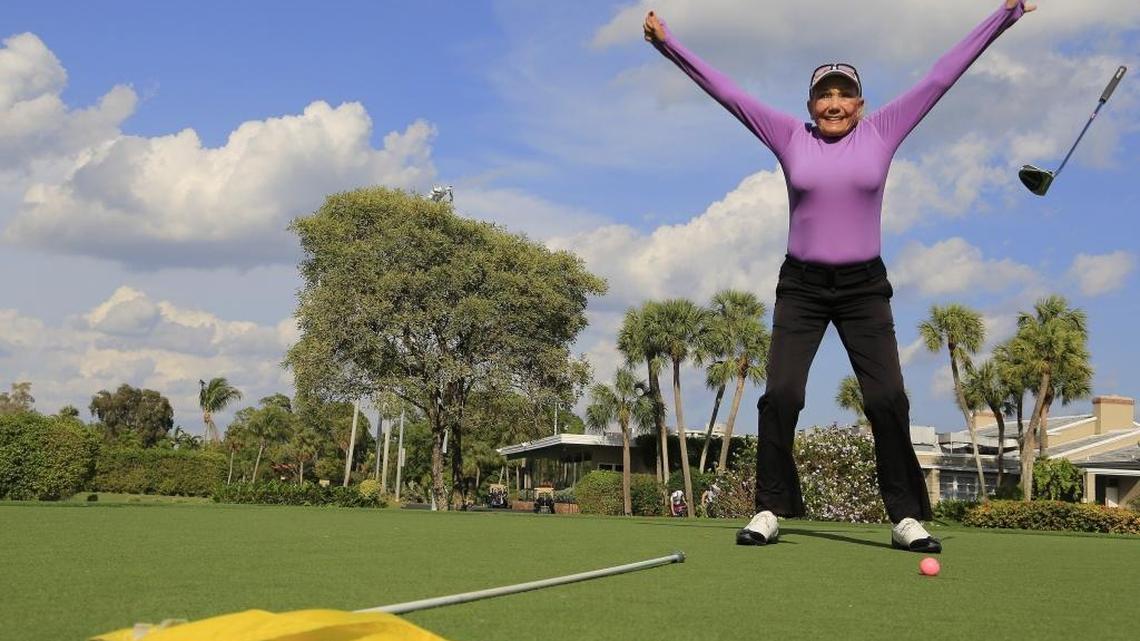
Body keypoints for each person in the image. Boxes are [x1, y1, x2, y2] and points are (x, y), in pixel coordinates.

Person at [644, 1, 1035, 553]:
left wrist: (1007, 12)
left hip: (863, 288)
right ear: (810, 104)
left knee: (888, 399)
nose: (834, 103)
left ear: (860, 103)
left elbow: (943, 74)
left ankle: (905, 516)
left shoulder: (882, 131)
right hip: (801, 286)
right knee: (780, 394)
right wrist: (669, 44)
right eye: (824, 95)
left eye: (843, 94)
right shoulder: (789, 135)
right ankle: (768, 508)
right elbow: (727, 93)